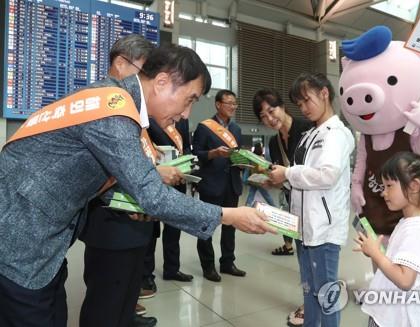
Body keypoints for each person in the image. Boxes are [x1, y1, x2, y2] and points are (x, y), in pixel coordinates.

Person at [0, 44, 275, 327]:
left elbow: (81, 171)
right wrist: (228, 215)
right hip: (22, 239)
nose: (185, 113)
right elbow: (150, 193)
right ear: (162, 82)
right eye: (189, 99)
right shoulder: (114, 108)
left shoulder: (110, 100)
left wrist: (120, 200)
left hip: (41, 241)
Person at [78, 34, 159, 327]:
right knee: (105, 302)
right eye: (146, 71)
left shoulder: (130, 107)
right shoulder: (104, 102)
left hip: (134, 218)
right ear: (121, 64)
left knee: (125, 292)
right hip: (110, 221)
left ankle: (127, 317)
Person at [269, 73, 355, 327]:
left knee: (326, 294)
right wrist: (279, 178)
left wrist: (288, 173)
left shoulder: (337, 134)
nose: (304, 109)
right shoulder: (310, 135)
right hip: (303, 228)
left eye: (307, 101)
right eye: (299, 104)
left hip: (324, 230)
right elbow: (303, 178)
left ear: (325, 93)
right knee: (309, 290)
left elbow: (327, 175)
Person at [354, 151, 420, 327]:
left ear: (414, 186)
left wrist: (377, 255)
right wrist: (376, 251)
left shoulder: (416, 230)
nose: (383, 193)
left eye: (389, 186)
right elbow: (401, 262)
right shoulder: (409, 222)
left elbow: (405, 280)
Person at [252, 87, 312, 327]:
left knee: (318, 257)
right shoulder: (274, 142)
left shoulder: (307, 130)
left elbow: (314, 172)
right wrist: (271, 180)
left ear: (283, 106)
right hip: (296, 206)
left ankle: (316, 304)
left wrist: (285, 176)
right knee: (304, 257)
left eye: (271, 110)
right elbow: (286, 176)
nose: (269, 118)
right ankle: (310, 301)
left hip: (317, 207)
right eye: (263, 116)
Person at [192, 89, 246, 282]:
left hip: (231, 184)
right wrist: (213, 153)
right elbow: (196, 154)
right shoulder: (205, 127)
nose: (232, 107)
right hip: (211, 183)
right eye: (229, 103)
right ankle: (208, 266)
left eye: (235, 103)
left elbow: (238, 155)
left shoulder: (237, 130)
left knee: (230, 226)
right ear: (218, 104)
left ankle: (227, 263)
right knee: (207, 225)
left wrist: (244, 163)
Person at [140, 118, 194, 302]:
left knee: (173, 230)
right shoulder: (150, 116)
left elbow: (185, 147)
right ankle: (146, 277)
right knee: (151, 231)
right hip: (155, 179)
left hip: (177, 180)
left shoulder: (182, 121)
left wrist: (186, 163)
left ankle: (172, 268)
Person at [243, 142, 275, 207]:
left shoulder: (252, 157)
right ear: (260, 148)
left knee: (251, 194)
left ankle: (247, 206)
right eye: (262, 147)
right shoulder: (260, 158)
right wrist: (267, 168)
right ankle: (274, 206)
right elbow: (260, 169)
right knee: (266, 195)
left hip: (253, 178)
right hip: (260, 179)